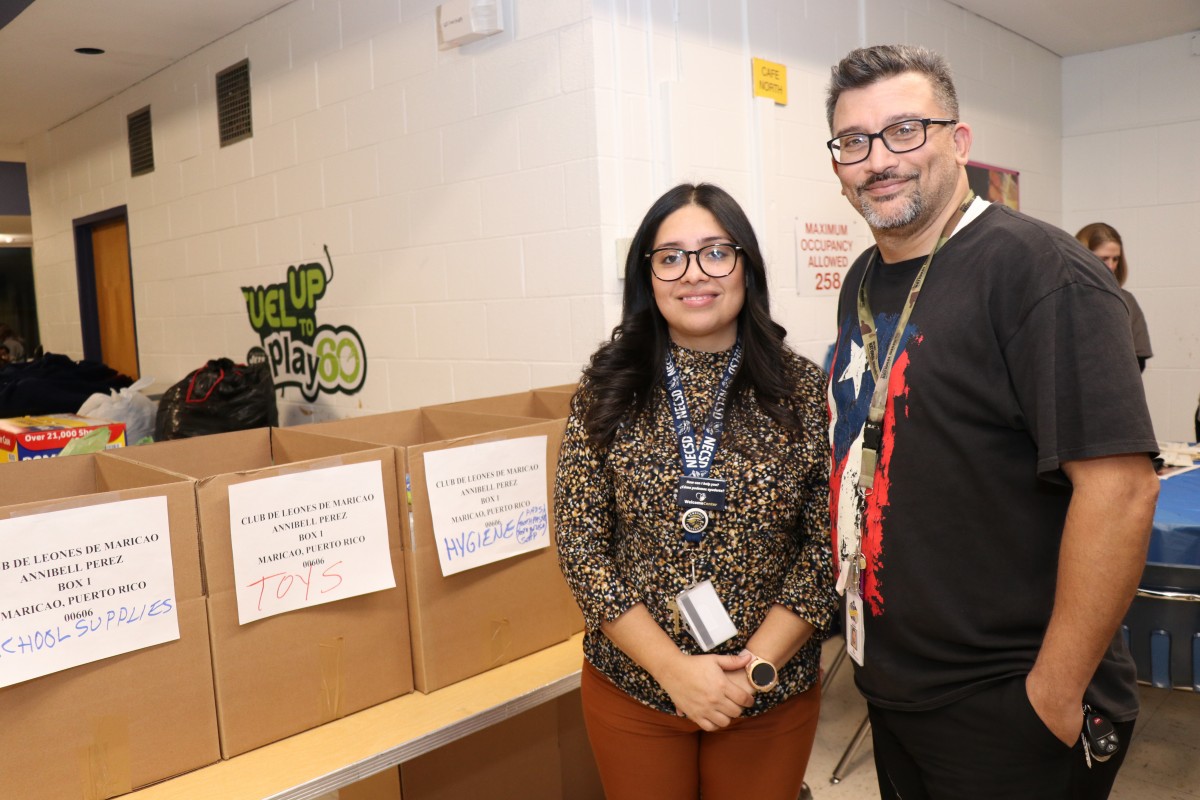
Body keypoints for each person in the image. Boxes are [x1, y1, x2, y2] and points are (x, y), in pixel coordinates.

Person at [824, 45, 1160, 799]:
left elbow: (1123, 492)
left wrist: (1054, 694)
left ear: (959, 142)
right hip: (894, 681)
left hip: (1004, 701)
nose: (878, 158)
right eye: (854, 141)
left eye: (905, 130)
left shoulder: (1041, 272)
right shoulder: (865, 277)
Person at [554, 183, 836, 800]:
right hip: (635, 686)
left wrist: (751, 671)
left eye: (715, 252)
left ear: (746, 265)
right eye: (670, 256)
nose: (693, 274)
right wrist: (674, 671)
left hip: (769, 690)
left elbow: (826, 550)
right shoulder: (606, 388)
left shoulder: (803, 392)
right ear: (647, 276)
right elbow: (581, 546)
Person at [1075, 223, 1153, 372]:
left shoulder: (1126, 300)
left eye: (1115, 259)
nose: (1111, 266)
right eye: (1104, 259)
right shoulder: (1064, 298)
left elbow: (1139, 358)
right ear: (1083, 256)